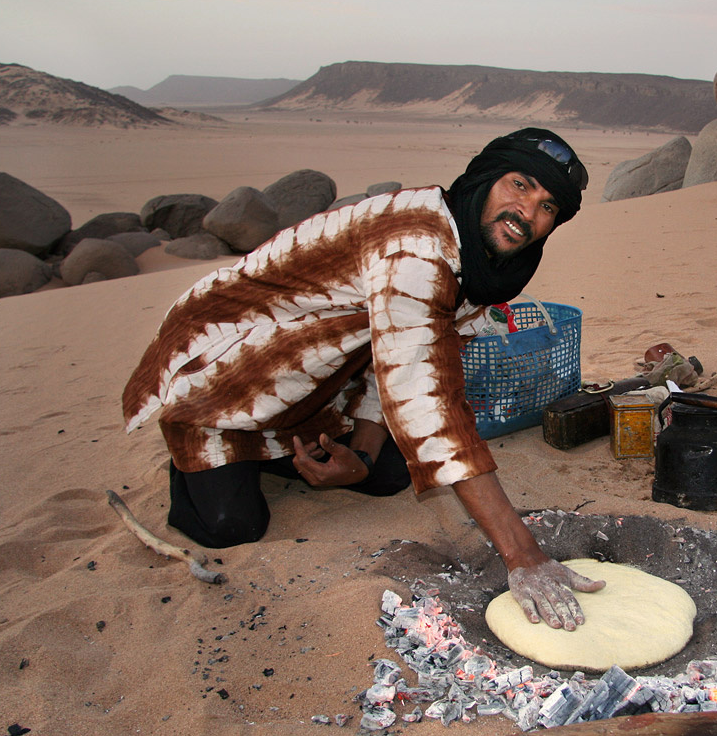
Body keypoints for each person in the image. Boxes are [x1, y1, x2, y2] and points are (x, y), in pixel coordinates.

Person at [123, 128, 603, 630]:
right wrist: (523, 554)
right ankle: (198, 452)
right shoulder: (414, 247)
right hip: (228, 375)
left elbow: (395, 358)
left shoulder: (478, 256)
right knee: (231, 526)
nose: (526, 213)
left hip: (315, 379)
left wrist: (367, 456)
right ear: (486, 179)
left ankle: (285, 445)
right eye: (520, 185)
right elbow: (424, 397)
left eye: (547, 207)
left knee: (388, 473)